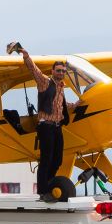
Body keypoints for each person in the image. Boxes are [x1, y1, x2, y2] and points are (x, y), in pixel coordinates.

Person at [18, 47, 80, 202]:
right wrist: (26, 56)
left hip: (57, 127)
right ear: (52, 71)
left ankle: (49, 184)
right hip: (46, 126)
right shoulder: (45, 82)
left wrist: (77, 104)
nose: (61, 73)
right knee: (46, 159)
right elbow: (34, 70)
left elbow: (62, 105)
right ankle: (42, 191)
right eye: (58, 70)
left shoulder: (61, 87)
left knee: (57, 159)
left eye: (63, 71)